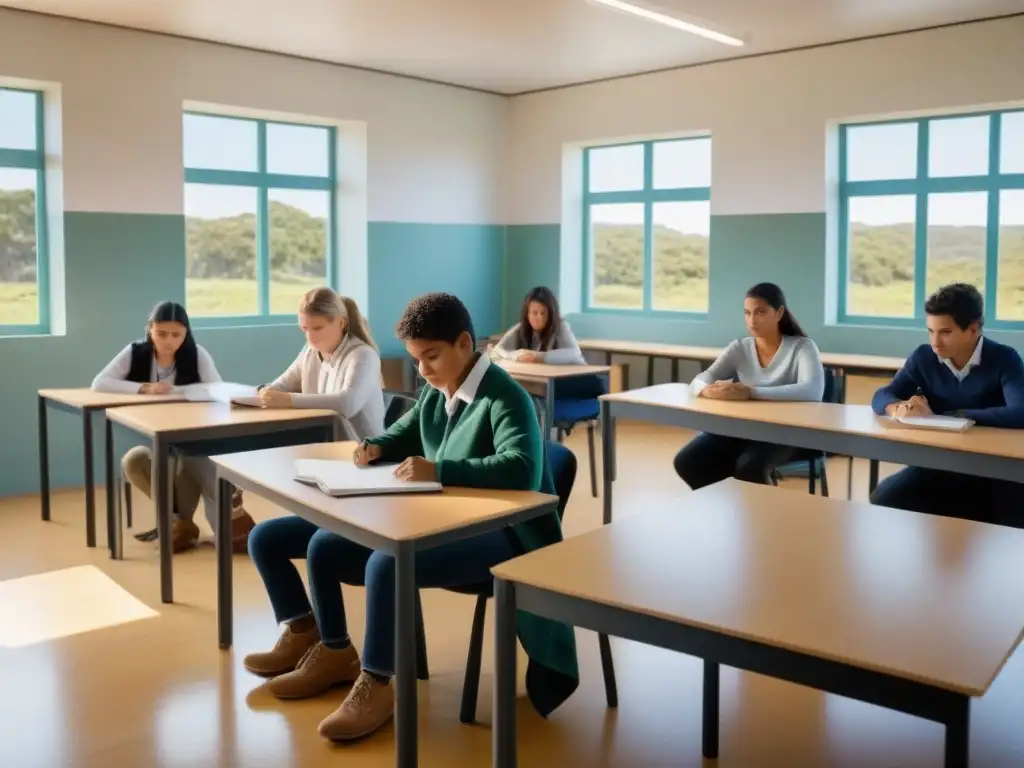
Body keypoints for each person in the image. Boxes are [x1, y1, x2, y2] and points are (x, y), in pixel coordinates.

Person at [242, 292, 578, 742]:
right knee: (322, 542)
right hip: (444, 518)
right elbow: (408, 428)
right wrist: (377, 445)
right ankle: (335, 651)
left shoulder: (507, 396)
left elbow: (521, 468)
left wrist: (440, 469)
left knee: (387, 560)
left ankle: (377, 683)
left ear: (464, 344)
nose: (422, 370)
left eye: (431, 356)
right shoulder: (439, 389)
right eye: (417, 358)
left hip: (506, 534)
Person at [91, 300, 255, 553]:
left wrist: (185, 393)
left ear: (186, 334)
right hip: (164, 442)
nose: (168, 341)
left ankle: (225, 513)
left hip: (196, 442)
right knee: (135, 461)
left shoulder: (197, 353)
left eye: (176, 335)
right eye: (161, 334)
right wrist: (145, 387)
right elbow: (100, 383)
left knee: (193, 461)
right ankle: (180, 524)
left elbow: (218, 390)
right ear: (150, 330)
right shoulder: (135, 352)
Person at [869, 282, 1024, 523]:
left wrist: (947, 417)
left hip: (993, 468)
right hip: (938, 462)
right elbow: (882, 395)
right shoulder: (923, 357)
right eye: (930, 331)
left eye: (945, 332)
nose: (935, 342)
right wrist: (897, 408)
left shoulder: (1005, 358)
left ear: (973, 330)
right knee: (883, 498)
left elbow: (1019, 412)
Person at [674, 282, 825, 490]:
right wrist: (707, 390)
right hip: (742, 428)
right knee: (687, 462)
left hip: (787, 432)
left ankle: (767, 517)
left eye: (760, 312)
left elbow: (813, 391)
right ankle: (729, 506)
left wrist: (750, 392)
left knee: (749, 468)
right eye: (747, 313)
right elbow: (701, 379)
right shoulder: (740, 347)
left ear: (779, 313)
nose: (752, 320)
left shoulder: (803, 347)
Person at [257, 287, 385, 443]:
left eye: (318, 328)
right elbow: (281, 385)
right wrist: (266, 393)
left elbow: (347, 404)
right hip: (325, 445)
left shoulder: (363, 355)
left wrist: (288, 400)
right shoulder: (310, 351)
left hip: (366, 453)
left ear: (341, 323)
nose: (310, 337)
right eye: (305, 329)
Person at [489, 285, 585, 365]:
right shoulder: (520, 329)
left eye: (543, 313)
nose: (539, 318)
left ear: (551, 313)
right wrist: (516, 356)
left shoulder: (560, 327)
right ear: (527, 314)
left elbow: (574, 354)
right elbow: (496, 352)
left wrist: (538, 357)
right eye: (535, 313)